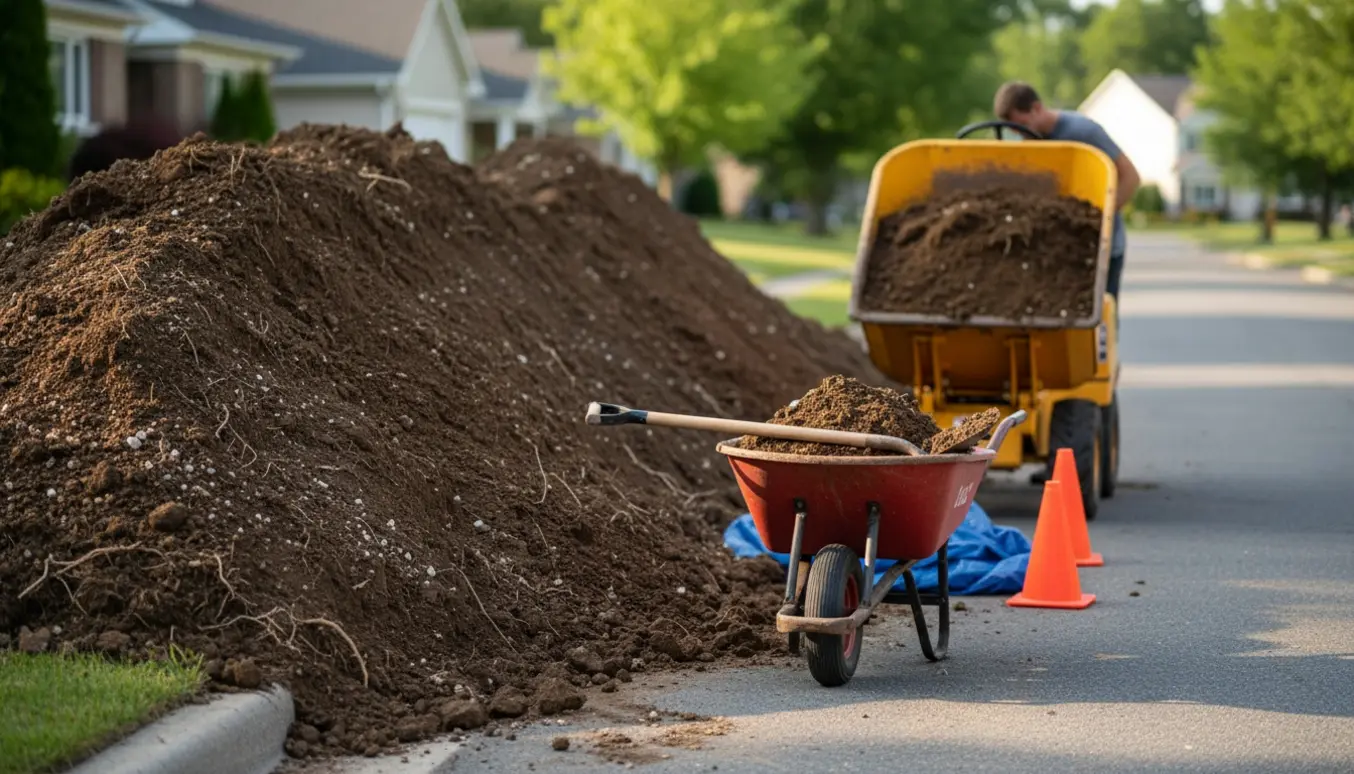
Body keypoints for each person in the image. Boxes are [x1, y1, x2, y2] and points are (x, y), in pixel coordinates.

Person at [993, 81, 1140, 301]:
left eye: (1021, 124)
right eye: (1012, 129)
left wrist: (1101, 218)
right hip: (1056, 249)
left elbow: (1130, 176)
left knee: (1099, 318)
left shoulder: (1082, 132)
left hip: (1100, 247)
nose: (1018, 133)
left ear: (1037, 108)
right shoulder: (1028, 143)